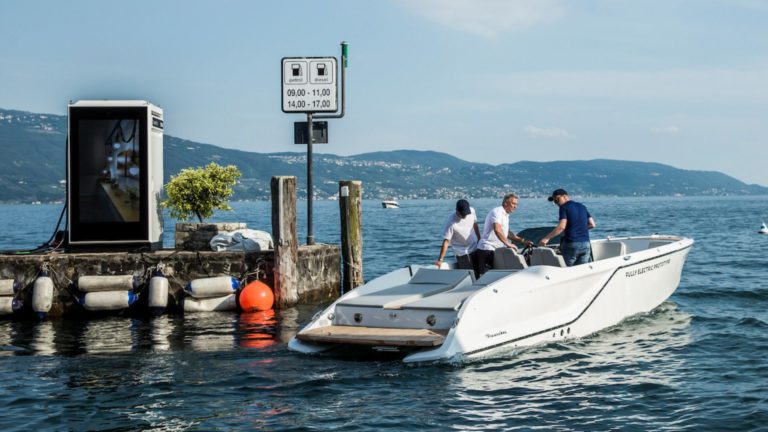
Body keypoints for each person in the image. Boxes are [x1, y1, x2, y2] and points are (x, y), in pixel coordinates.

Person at [476, 193, 532, 275]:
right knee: (485, 277)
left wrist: (523, 241)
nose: (515, 206)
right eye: (513, 204)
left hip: (496, 250)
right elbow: (497, 229)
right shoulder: (497, 212)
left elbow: (507, 233)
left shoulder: (506, 215)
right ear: (505, 203)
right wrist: (508, 244)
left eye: (516, 204)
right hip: (486, 250)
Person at [538, 188, 596, 266]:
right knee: (581, 270)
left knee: (567, 270)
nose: (556, 203)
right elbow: (592, 224)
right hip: (586, 244)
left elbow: (562, 226)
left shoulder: (564, 207)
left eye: (557, 200)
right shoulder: (582, 206)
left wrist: (546, 238)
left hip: (572, 244)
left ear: (565, 196)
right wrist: (579, 229)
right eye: (554, 202)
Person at [434, 199, 481, 276]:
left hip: (475, 246)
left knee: (479, 271)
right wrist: (440, 260)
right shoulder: (451, 221)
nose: (465, 216)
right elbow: (446, 241)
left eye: (466, 214)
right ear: (457, 211)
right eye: (463, 214)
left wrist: (479, 239)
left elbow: (475, 225)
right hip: (461, 252)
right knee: (468, 275)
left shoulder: (472, 211)